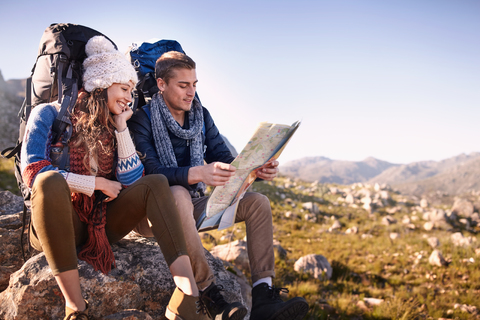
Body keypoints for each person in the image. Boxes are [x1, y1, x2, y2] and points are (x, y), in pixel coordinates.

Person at [21, 36, 211, 320]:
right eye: (124, 88)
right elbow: (34, 171)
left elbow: (134, 183)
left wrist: (121, 129)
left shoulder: (114, 125)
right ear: (101, 84)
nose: (128, 97)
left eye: (132, 90)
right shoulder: (49, 114)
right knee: (49, 181)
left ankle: (187, 293)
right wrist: (94, 183)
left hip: (100, 225)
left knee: (156, 183)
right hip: (57, 224)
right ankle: (76, 308)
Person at [128, 51, 309, 320]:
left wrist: (256, 170)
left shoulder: (201, 116)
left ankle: (263, 296)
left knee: (258, 203)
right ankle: (210, 293)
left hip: (191, 207)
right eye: (183, 85)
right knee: (177, 193)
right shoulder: (141, 119)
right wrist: (199, 173)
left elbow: (223, 158)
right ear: (162, 84)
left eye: (195, 84)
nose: (191, 93)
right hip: (152, 215)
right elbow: (153, 173)